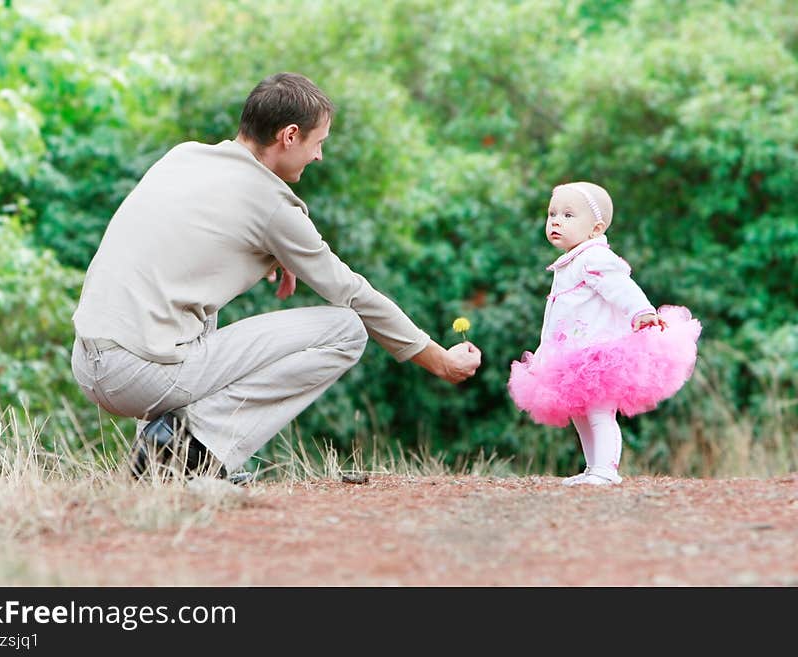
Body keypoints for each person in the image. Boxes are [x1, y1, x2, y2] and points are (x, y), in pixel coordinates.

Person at [70, 72, 482, 482]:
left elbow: (194, 240)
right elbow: (352, 292)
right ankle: (188, 454)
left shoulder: (185, 157)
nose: (318, 156)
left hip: (90, 362)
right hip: (141, 377)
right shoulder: (271, 206)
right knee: (346, 329)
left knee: (196, 307)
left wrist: (276, 255)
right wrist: (438, 360)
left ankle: (165, 450)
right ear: (289, 135)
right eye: (317, 142)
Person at [508, 181, 701, 486]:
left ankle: (607, 470)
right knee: (579, 413)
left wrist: (641, 311)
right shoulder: (570, 261)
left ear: (596, 229)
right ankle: (593, 467)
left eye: (568, 215)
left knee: (599, 411)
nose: (556, 220)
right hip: (571, 352)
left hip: (598, 353)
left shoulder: (594, 257)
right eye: (552, 214)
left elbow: (620, 287)